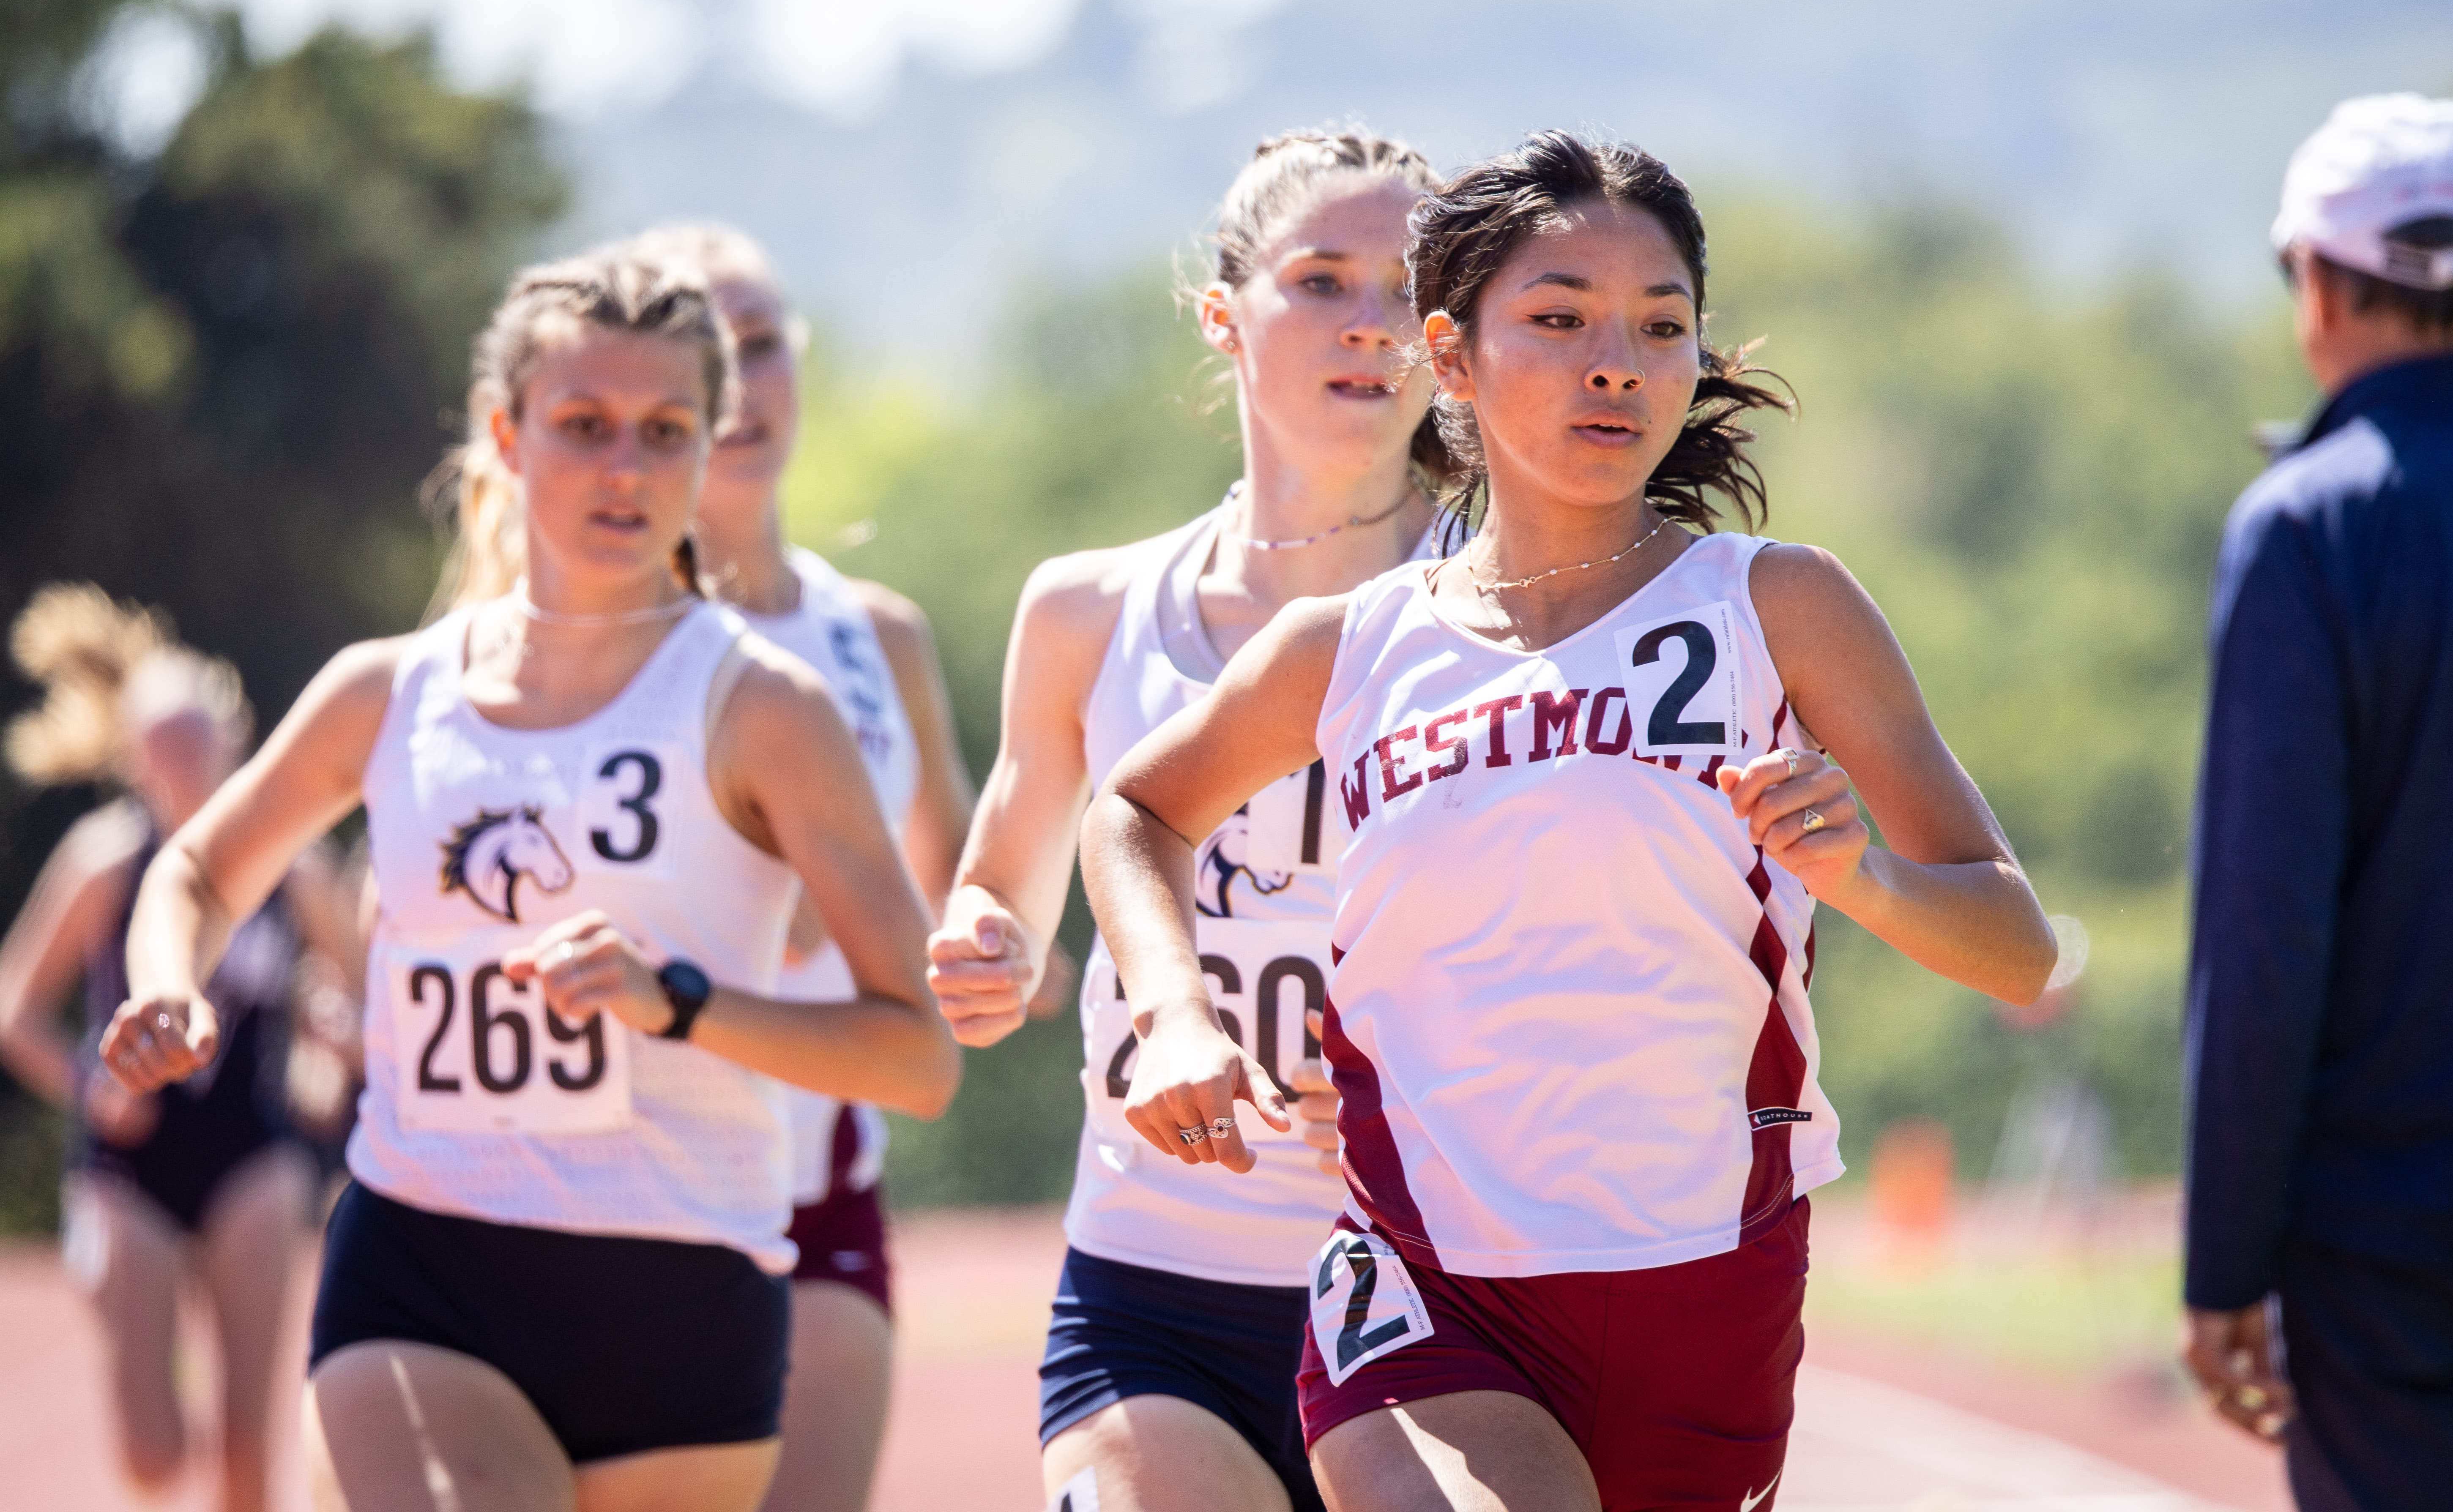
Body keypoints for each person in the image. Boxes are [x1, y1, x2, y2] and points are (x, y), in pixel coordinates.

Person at [1078, 130, 2058, 1511]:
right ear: (1450, 353)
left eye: (1660, 327)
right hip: (1425, 1283)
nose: (1618, 362)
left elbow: (2018, 947)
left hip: (1704, 1285)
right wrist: (1176, 1012)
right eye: (1559, 320)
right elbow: (1132, 808)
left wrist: (1867, 880)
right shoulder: (1350, 646)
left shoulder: (1776, 606)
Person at [97, 248, 962, 1512]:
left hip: (685, 1293)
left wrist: (679, 1002)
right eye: (584, 425)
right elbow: (196, 871)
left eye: (665, 431)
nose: (625, 467)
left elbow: (916, 1056)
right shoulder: (389, 691)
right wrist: (168, 985)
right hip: (423, 1263)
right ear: (506, 434)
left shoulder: (766, 709)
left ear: (708, 442)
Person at [924, 126, 1443, 1512]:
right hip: (1157, 1295)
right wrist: (981, 952)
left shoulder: (1519, 617)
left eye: (1405, 289)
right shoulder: (1088, 614)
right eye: (1323, 280)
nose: (1368, 325)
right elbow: (1002, 912)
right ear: (1227, 315)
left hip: (1442, 1304)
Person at [2180, 94, 2453, 1506]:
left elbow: (2266, 935)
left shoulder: (2312, 523)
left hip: (2397, 1242)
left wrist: (2224, 1265)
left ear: (2315, 287)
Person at [637, 219, 976, 1512]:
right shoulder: (600, 642)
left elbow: (963, 889)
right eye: (701, 347)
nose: (738, 373)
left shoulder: (875, 637)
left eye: (762, 341)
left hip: (823, 1198)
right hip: (625, 1195)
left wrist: (1006, 956)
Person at [0, 585, 357, 1512]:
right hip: (130, 1166)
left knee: (249, 1449)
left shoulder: (296, 868)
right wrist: (91, 1084)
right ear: (132, 761)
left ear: (236, 741)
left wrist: (333, 1039)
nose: (184, 763)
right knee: (154, 1454)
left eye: (198, 741)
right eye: (162, 748)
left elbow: (365, 1004)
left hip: (253, 1153)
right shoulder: (102, 861)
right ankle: (164, 1393)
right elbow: (13, 1006)